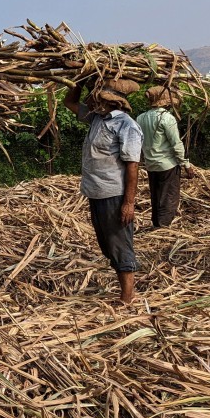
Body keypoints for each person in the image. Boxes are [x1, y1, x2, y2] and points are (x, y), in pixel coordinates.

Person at [63, 78, 143, 303]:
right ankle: (125, 291)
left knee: (119, 242)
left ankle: (128, 297)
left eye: (96, 96)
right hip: (95, 191)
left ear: (109, 101)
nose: (92, 99)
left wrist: (128, 203)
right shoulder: (96, 118)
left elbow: (132, 166)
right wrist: (78, 81)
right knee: (107, 244)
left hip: (113, 194)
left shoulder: (126, 125)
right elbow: (69, 102)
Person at [136, 86, 194, 228]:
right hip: (167, 164)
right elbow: (176, 144)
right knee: (169, 198)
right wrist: (186, 165)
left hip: (151, 164)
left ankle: (157, 224)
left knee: (156, 196)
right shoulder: (167, 118)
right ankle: (163, 227)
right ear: (166, 102)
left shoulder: (140, 118)